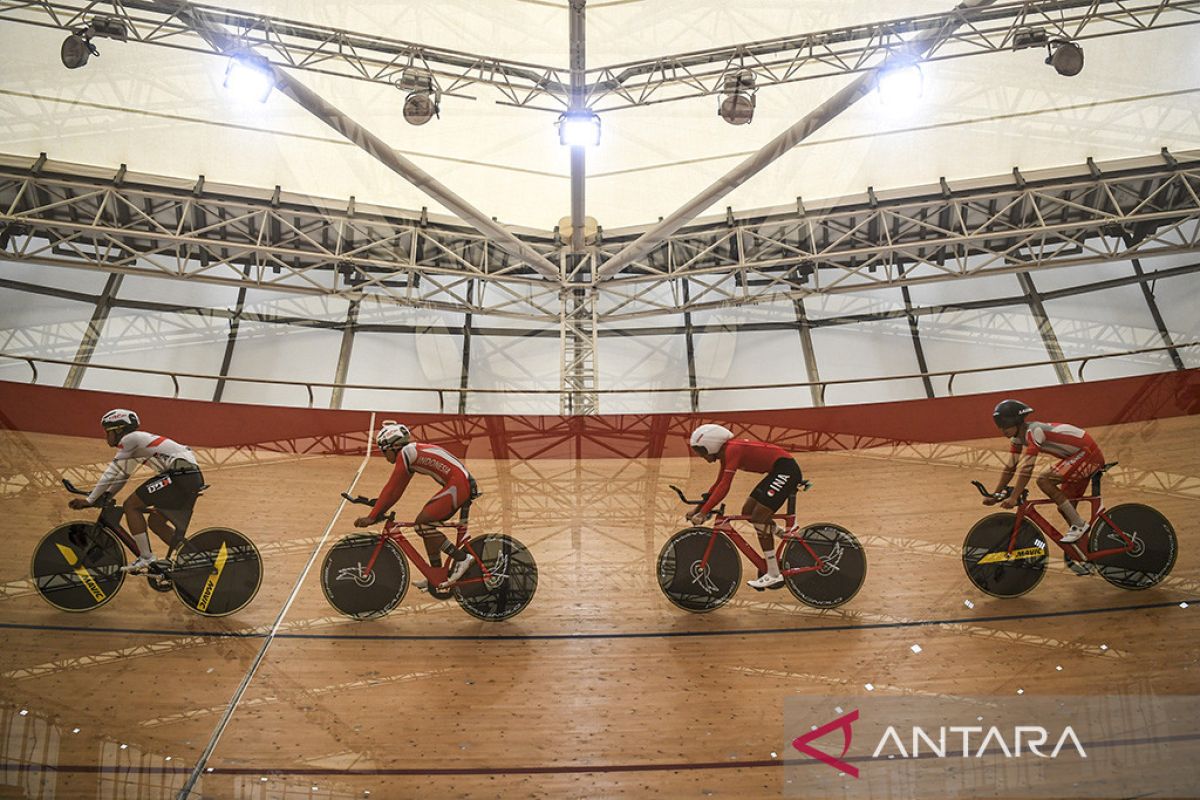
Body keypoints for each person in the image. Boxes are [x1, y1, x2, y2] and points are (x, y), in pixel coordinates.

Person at [68, 409, 204, 573]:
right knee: (156, 523)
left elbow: (111, 472)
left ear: (119, 430)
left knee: (131, 505)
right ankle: (195, 558)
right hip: (186, 478)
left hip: (180, 476)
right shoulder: (136, 444)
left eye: (107, 431)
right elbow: (122, 475)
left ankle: (146, 558)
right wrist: (107, 495)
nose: (106, 436)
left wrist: (90, 500)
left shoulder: (130, 439)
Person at [354, 423, 476, 590]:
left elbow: (390, 489)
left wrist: (372, 516)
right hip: (459, 482)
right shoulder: (410, 455)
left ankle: (462, 558)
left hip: (459, 485)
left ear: (393, 446)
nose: (384, 455)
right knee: (427, 526)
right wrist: (379, 510)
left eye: (384, 450)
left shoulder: (406, 454)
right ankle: (436, 575)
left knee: (422, 524)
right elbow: (397, 491)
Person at [688, 423, 805, 591]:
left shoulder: (732, 449)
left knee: (759, 517)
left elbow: (724, 486)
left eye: (702, 452)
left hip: (786, 470)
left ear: (711, 445)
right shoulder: (727, 452)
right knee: (748, 512)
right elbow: (718, 484)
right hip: (777, 470)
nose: (703, 457)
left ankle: (773, 574)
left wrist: (704, 512)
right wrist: (698, 509)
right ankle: (782, 533)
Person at [985, 399, 1106, 544]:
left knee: (1044, 480)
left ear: (1017, 421)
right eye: (1000, 426)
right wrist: (995, 494)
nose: (1003, 430)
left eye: (1006, 425)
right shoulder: (1017, 438)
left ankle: (1080, 525)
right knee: (1066, 509)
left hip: (1088, 455)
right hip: (1078, 457)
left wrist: (1014, 496)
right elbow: (1011, 467)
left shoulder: (1034, 431)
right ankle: (1086, 547)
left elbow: (1027, 468)